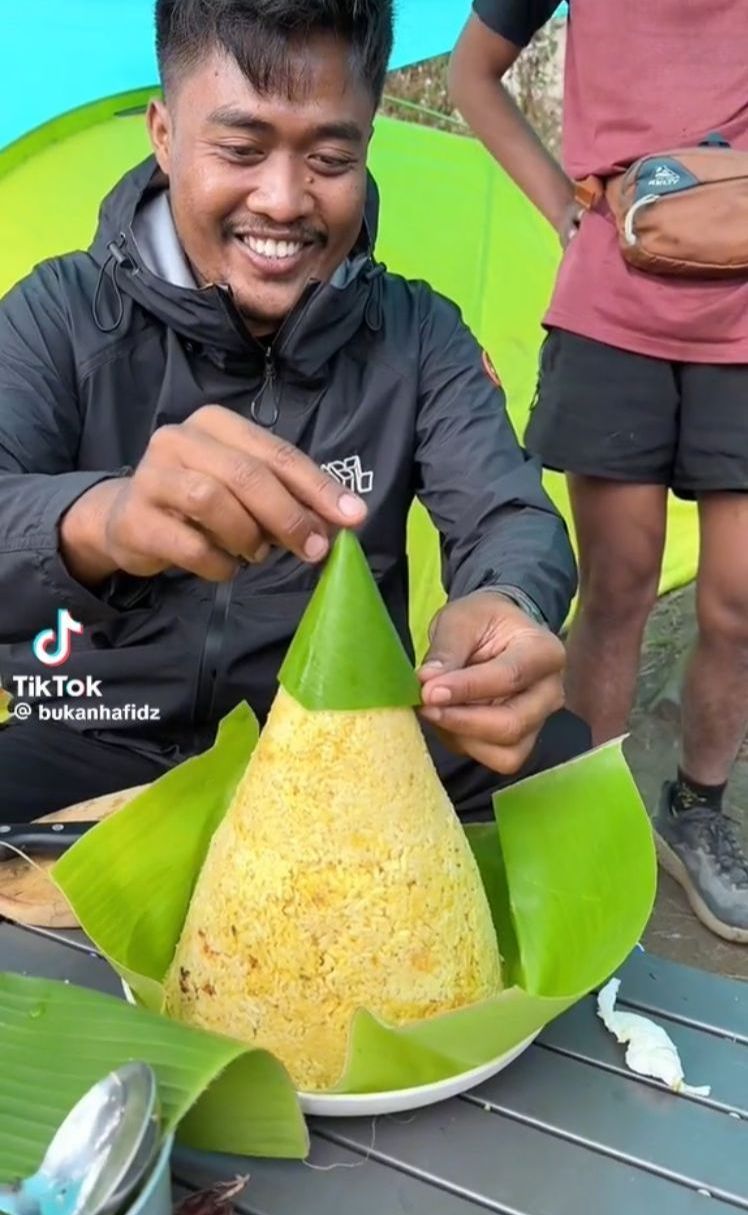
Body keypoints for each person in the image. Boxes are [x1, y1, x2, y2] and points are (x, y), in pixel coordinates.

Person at [0, 0, 585, 829]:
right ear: (164, 133)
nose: (282, 201)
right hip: (93, 734)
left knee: (556, 767)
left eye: (329, 157)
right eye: (240, 149)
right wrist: (103, 520)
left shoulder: (420, 336)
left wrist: (510, 603)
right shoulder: (54, 314)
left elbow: (511, 512)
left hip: (340, 746)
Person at [449, 0, 748, 940]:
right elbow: (471, 74)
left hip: (742, 317)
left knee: (741, 599)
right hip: (612, 311)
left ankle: (697, 811)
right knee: (618, 585)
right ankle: (585, 815)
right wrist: (565, 211)